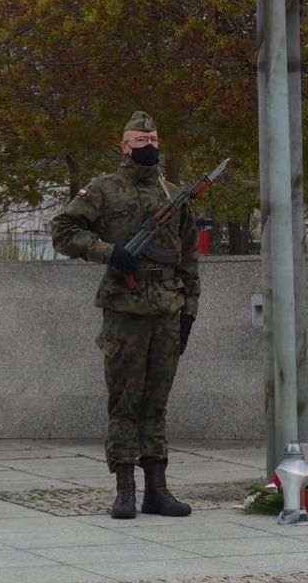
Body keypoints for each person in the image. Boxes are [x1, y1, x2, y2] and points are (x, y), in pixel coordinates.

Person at [51, 111, 202, 519]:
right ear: (123, 145)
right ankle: (124, 489)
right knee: (124, 402)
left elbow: (189, 258)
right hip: (124, 310)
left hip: (167, 310)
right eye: (139, 140)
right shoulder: (104, 191)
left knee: (156, 403)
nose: (148, 146)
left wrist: (189, 312)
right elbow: (63, 230)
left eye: (153, 138)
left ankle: (157, 489)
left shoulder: (173, 195)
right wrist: (107, 251)